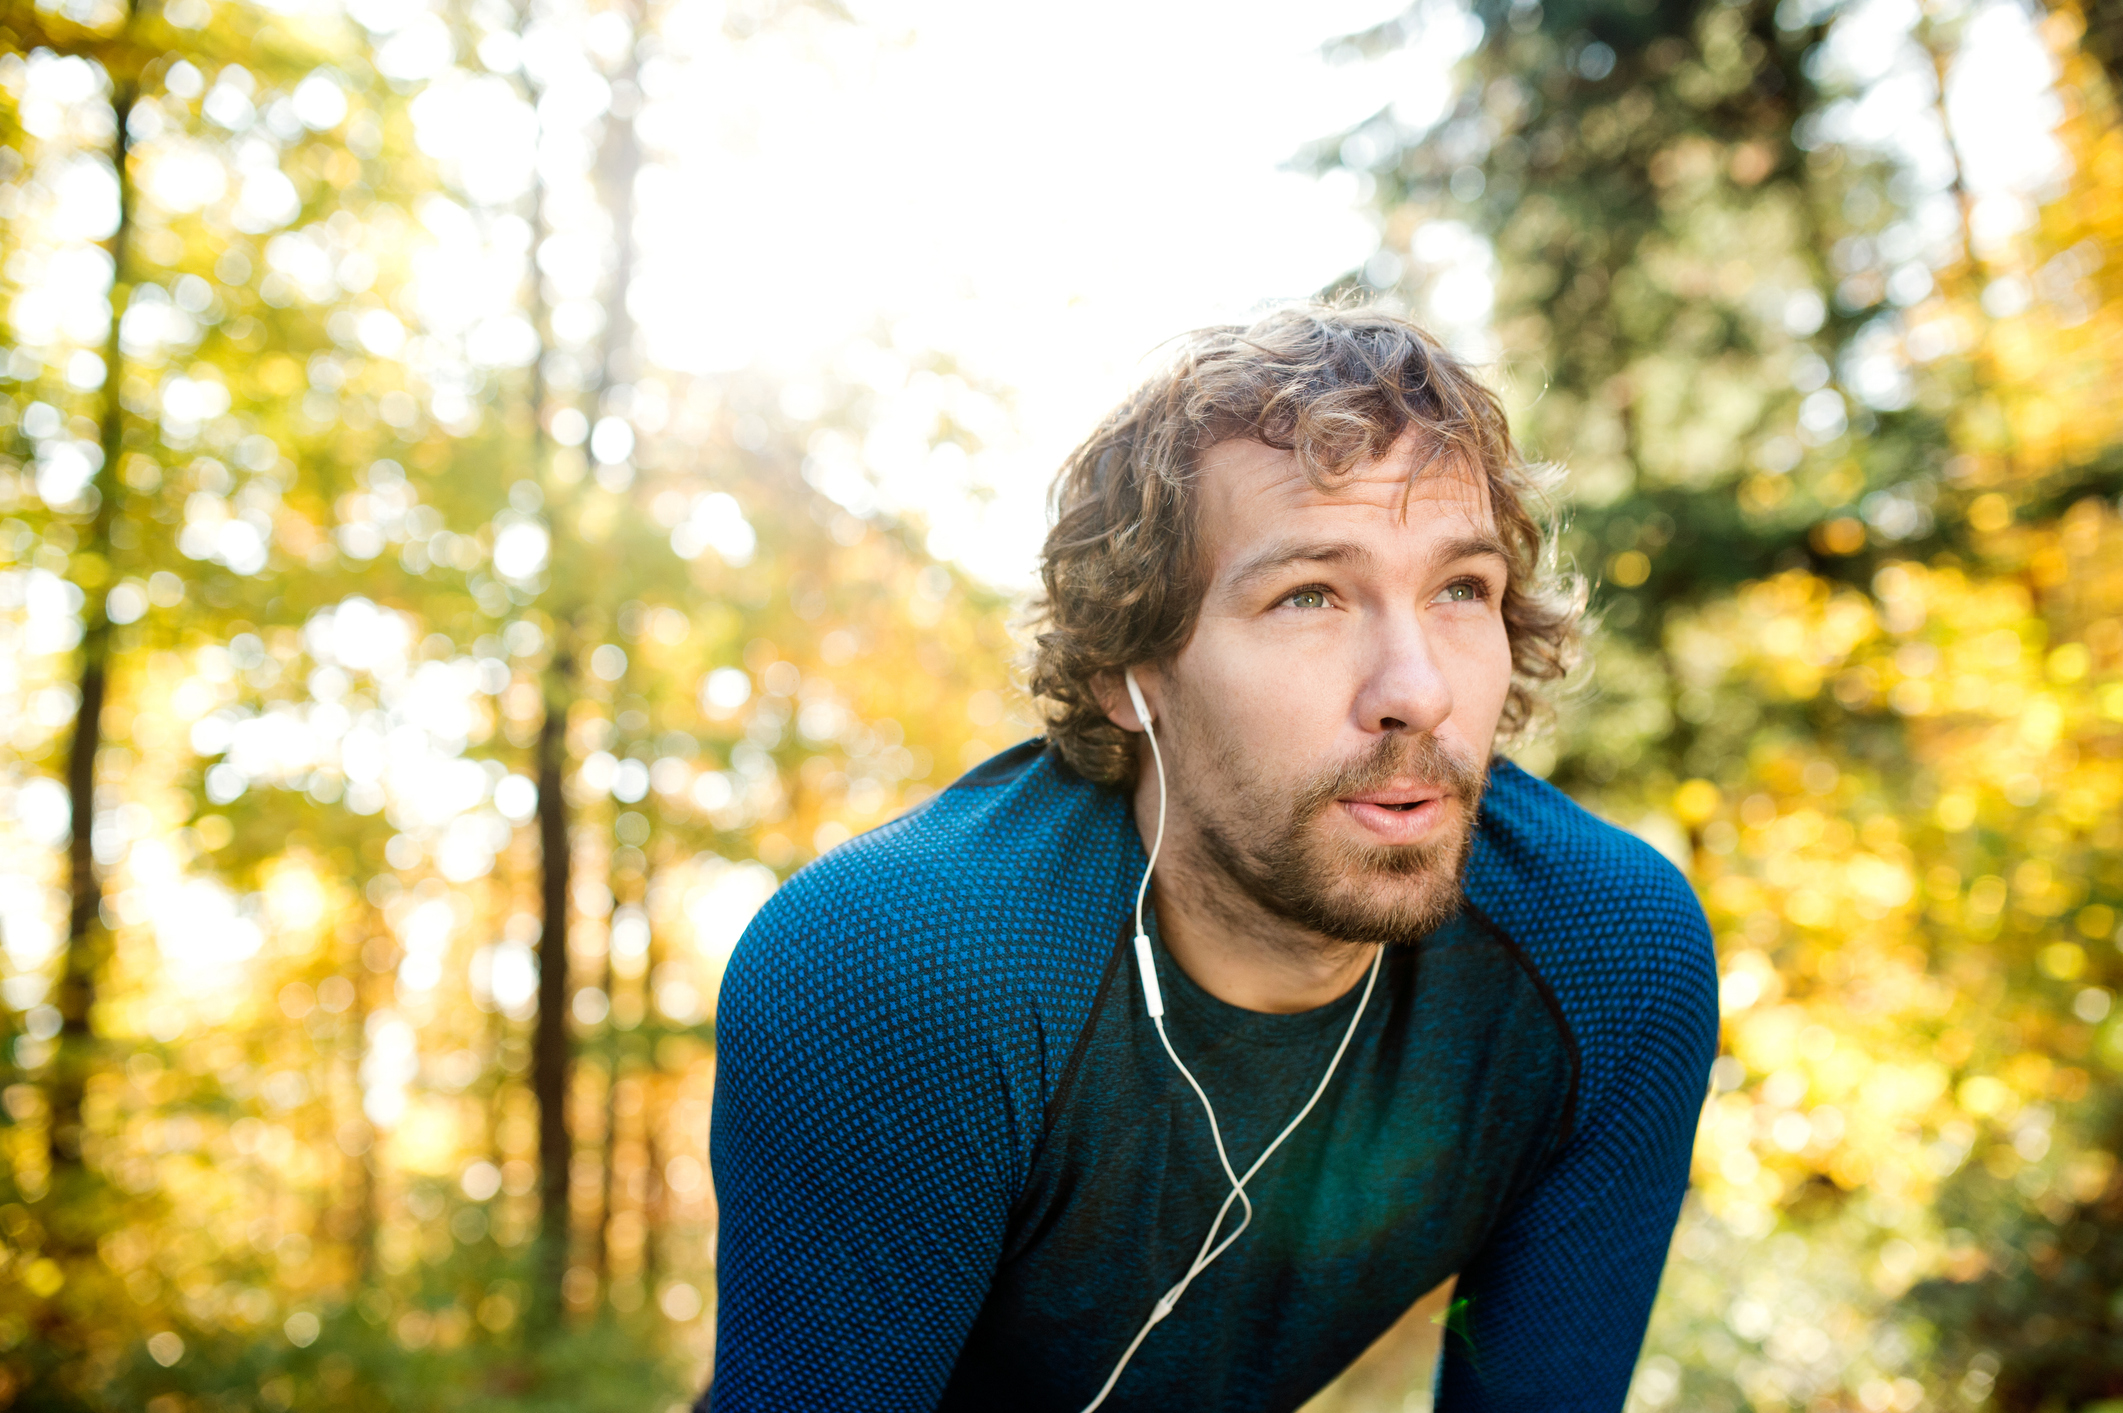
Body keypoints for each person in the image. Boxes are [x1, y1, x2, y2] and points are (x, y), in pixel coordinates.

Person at [702, 305, 1718, 1413]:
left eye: (1459, 588)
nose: (1415, 691)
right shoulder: (900, 971)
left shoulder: (1611, 959)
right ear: (1128, 671)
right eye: (1308, 597)